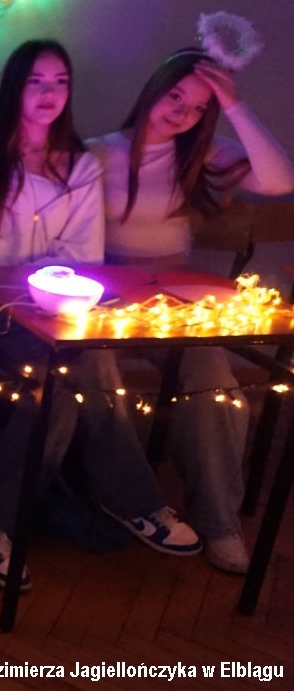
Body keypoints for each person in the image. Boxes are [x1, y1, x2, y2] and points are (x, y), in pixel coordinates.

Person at [0, 39, 199, 589]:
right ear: (14, 87)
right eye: (36, 81)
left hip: (42, 313)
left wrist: (38, 281)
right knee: (61, 383)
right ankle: (121, 501)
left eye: (60, 83)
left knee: (77, 372)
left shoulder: (79, 167)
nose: (49, 94)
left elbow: (80, 256)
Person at [88, 48, 294, 573]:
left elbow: (280, 181)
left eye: (199, 107)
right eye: (175, 96)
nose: (182, 113)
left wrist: (234, 103)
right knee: (96, 376)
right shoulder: (97, 153)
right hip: (105, 302)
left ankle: (220, 522)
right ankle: (135, 501)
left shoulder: (202, 154)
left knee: (215, 388)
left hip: (175, 304)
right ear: (153, 90)